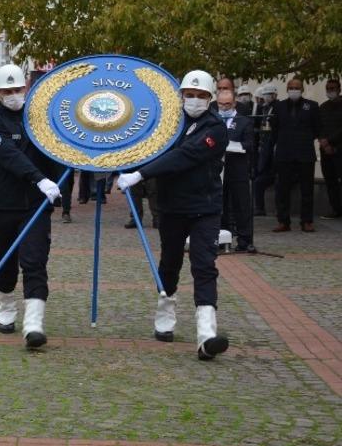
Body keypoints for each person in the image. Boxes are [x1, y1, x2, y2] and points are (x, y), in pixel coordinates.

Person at [116, 69, 230, 360]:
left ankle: (206, 334)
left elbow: (185, 156)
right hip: (172, 206)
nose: (194, 100)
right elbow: (144, 145)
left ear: (210, 98)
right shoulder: (168, 123)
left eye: (200, 95)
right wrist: (120, 160)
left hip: (205, 207)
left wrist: (140, 174)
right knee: (170, 263)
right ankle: (164, 315)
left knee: (204, 265)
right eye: (189, 95)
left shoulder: (216, 128)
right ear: (181, 96)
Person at [0, 65, 62, 349]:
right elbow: (9, 155)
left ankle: (33, 324)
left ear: (25, 89)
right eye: (7, 91)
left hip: (35, 204)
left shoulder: (40, 119)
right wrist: (39, 178)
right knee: (5, 261)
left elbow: (57, 149)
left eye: (17, 90)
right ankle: (6, 304)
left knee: (35, 261)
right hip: (2, 203)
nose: (13, 95)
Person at [270, 77, 321, 233]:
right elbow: (274, 129)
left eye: (297, 87)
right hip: (284, 153)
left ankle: (307, 221)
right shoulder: (279, 106)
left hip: (305, 153)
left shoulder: (312, 106)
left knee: (307, 189)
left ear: (302, 89)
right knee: (282, 189)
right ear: (287, 89)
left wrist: (303, 139)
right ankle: (283, 221)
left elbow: (317, 128)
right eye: (291, 87)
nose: (294, 90)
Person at [216, 89, 255, 252]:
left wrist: (234, 145)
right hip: (218, 169)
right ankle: (221, 238)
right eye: (221, 104)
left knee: (241, 204)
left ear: (234, 103)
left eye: (227, 104)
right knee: (220, 204)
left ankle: (244, 240)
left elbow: (250, 144)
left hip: (237, 168)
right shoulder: (213, 119)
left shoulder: (244, 121)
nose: (224, 108)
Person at [252, 84, 278, 215]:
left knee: (263, 181)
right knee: (257, 180)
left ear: (274, 95)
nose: (265, 98)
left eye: (268, 95)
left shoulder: (277, 108)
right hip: (264, 150)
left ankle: (264, 209)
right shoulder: (263, 109)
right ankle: (259, 208)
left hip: (274, 153)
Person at [320, 78, 342, 219]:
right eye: (328, 89)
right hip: (325, 150)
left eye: (333, 88)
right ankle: (336, 209)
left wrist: (331, 142)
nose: (330, 91)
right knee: (330, 181)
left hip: (339, 149)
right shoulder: (323, 107)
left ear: (339, 89)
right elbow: (319, 126)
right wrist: (324, 142)